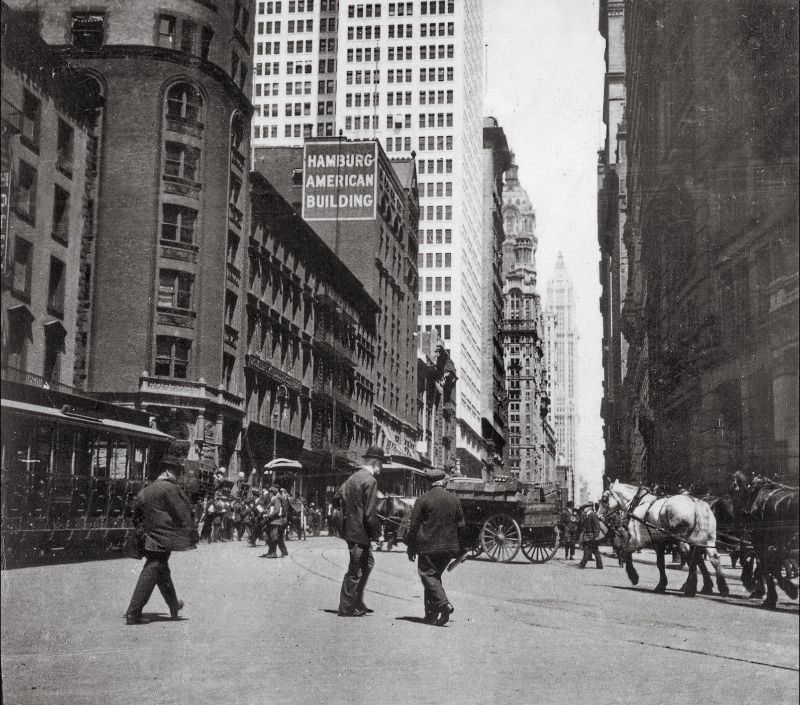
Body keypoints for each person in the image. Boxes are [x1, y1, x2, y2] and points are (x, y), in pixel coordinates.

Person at [125, 459, 197, 625]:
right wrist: (191, 533)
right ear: (167, 472)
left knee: (161, 570)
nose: (177, 477)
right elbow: (184, 512)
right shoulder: (170, 488)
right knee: (153, 568)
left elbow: (134, 514)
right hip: (162, 539)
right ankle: (133, 613)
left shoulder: (145, 490)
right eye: (176, 473)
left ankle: (174, 605)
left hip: (148, 537)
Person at [405, 478, 465, 625]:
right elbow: (462, 525)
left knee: (427, 575)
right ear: (443, 483)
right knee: (434, 578)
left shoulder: (423, 499)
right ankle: (431, 615)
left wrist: (411, 547)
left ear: (429, 483)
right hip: (449, 548)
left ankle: (444, 605)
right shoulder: (454, 500)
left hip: (428, 547)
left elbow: (414, 526)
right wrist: (459, 547)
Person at [337, 446, 384, 616]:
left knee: (367, 563)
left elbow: (337, 497)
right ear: (375, 462)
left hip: (351, 529)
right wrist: (378, 534)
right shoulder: (370, 481)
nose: (382, 468)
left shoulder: (352, 478)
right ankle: (347, 607)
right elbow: (370, 513)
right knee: (356, 569)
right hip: (360, 532)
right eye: (381, 464)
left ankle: (357, 601)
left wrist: (350, 510)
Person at [262, 486, 288, 558]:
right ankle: (279, 551)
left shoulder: (276, 499)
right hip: (274, 521)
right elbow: (272, 509)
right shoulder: (273, 499)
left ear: (272, 493)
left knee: (273, 537)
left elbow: (276, 510)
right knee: (276, 537)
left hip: (275, 521)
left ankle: (273, 553)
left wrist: (268, 515)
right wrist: (265, 512)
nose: (268, 494)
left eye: (269, 493)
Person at [578, 504, 605, 570]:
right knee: (596, 551)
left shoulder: (592, 515)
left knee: (587, 550)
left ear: (589, 508)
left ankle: (582, 564)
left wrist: (595, 536)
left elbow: (597, 526)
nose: (584, 509)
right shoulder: (588, 515)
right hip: (590, 535)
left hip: (592, 536)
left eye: (585, 508)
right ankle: (599, 565)